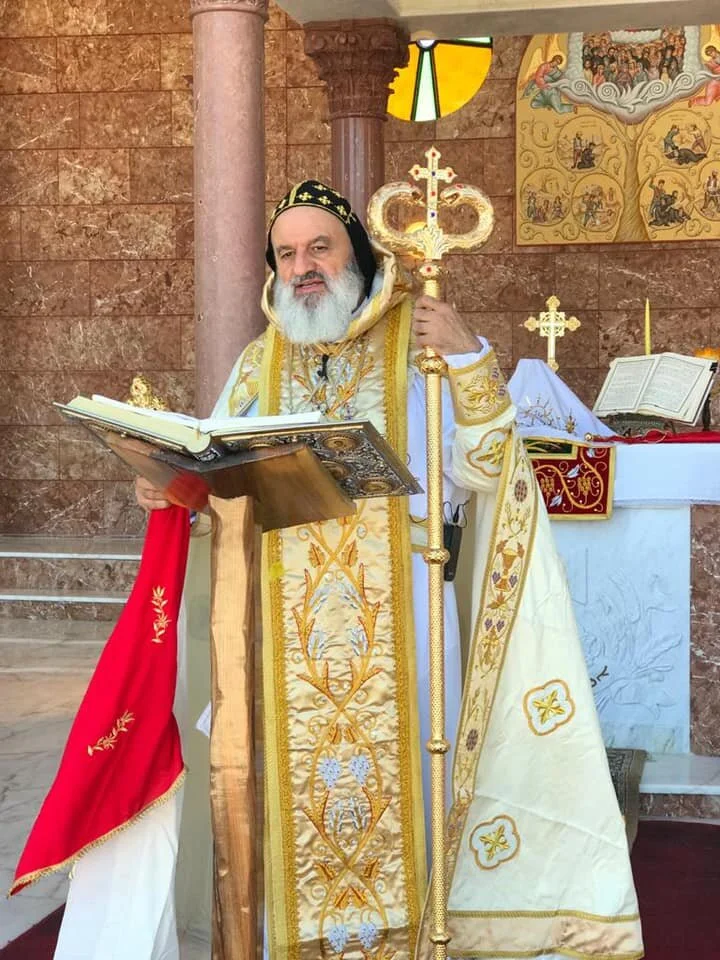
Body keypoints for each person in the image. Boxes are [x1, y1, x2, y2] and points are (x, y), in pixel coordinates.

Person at [28, 181, 643, 960]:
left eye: (319, 247)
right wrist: (168, 484)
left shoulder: (418, 343)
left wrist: (471, 361)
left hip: (404, 635)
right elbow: (216, 470)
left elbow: (487, 470)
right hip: (279, 639)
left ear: (356, 247)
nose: (302, 267)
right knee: (285, 815)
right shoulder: (261, 358)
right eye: (286, 254)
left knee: (408, 802)